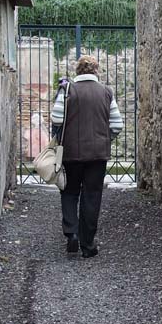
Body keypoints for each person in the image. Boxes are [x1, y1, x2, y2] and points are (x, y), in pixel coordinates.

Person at [50, 55, 123, 257]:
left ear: (77, 71)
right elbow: (117, 124)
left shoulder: (67, 90)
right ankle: (88, 244)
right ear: (96, 71)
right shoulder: (106, 92)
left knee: (70, 191)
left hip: (71, 153)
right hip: (98, 155)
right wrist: (105, 138)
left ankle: (71, 233)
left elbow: (56, 118)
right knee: (92, 196)